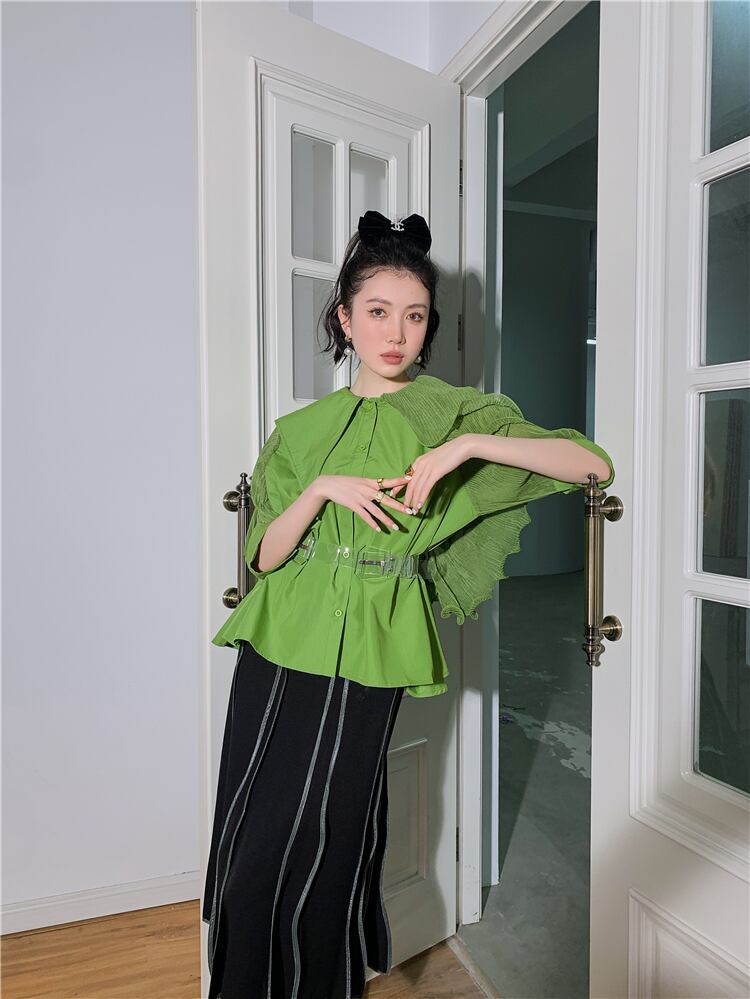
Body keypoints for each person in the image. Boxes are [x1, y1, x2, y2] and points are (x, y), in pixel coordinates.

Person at [202, 211, 616, 999]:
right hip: (275, 643)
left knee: (330, 835)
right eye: (379, 310)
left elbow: (589, 463)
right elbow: (263, 556)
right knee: (250, 829)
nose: (397, 333)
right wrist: (320, 490)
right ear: (344, 318)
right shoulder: (300, 430)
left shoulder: (454, 415)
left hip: (372, 649)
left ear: (430, 326)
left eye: (416, 315)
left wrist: (468, 445)